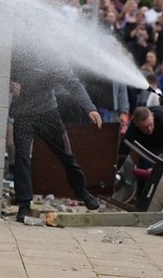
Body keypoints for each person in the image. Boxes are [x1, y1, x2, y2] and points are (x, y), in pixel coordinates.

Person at [8, 44, 101, 219]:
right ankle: (24, 205)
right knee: (21, 159)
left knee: (67, 155)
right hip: (22, 115)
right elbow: (1, 73)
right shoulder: (18, 52)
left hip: (49, 114)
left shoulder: (54, 57)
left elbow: (74, 84)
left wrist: (90, 108)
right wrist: (9, 84)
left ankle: (81, 192)